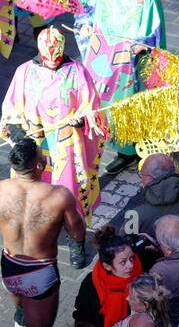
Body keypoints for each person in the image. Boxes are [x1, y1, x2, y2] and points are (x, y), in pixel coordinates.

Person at [0, 26, 107, 222]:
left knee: (67, 190)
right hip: (35, 143)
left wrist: (81, 120)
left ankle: (74, 230)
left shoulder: (77, 72)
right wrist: (15, 130)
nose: (52, 65)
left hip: (66, 145)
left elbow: (92, 107)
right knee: (33, 187)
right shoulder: (24, 72)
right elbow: (11, 109)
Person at [73, 0, 165, 175]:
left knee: (126, 104)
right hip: (101, 59)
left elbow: (155, 31)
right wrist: (84, 23)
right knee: (102, 101)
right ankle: (111, 142)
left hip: (128, 64)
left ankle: (128, 150)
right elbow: (82, 10)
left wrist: (144, 44)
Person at [0, 138, 86, 327]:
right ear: (39, 165)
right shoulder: (59, 195)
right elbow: (77, 233)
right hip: (39, 272)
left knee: (23, 312)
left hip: (9, 266)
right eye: (42, 154)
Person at [72, 226, 142, 327]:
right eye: (123, 262)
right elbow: (82, 316)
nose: (131, 265)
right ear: (107, 266)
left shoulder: (140, 273)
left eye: (132, 258)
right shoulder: (92, 283)